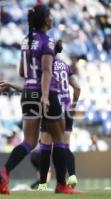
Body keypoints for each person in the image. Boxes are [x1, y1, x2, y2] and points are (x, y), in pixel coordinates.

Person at [0, 5, 79, 195]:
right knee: (59, 140)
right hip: (46, 93)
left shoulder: (26, 41)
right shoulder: (48, 41)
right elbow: (47, 71)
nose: (52, 18)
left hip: (28, 93)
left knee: (29, 142)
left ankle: (5, 172)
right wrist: (47, 96)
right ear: (46, 20)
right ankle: (61, 185)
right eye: (50, 16)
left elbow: (22, 72)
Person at [38, 40, 81, 190]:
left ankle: (43, 184)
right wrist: (73, 104)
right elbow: (77, 87)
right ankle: (72, 175)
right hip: (67, 108)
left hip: (53, 107)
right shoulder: (65, 66)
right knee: (65, 145)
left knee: (45, 146)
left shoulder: (45, 66)